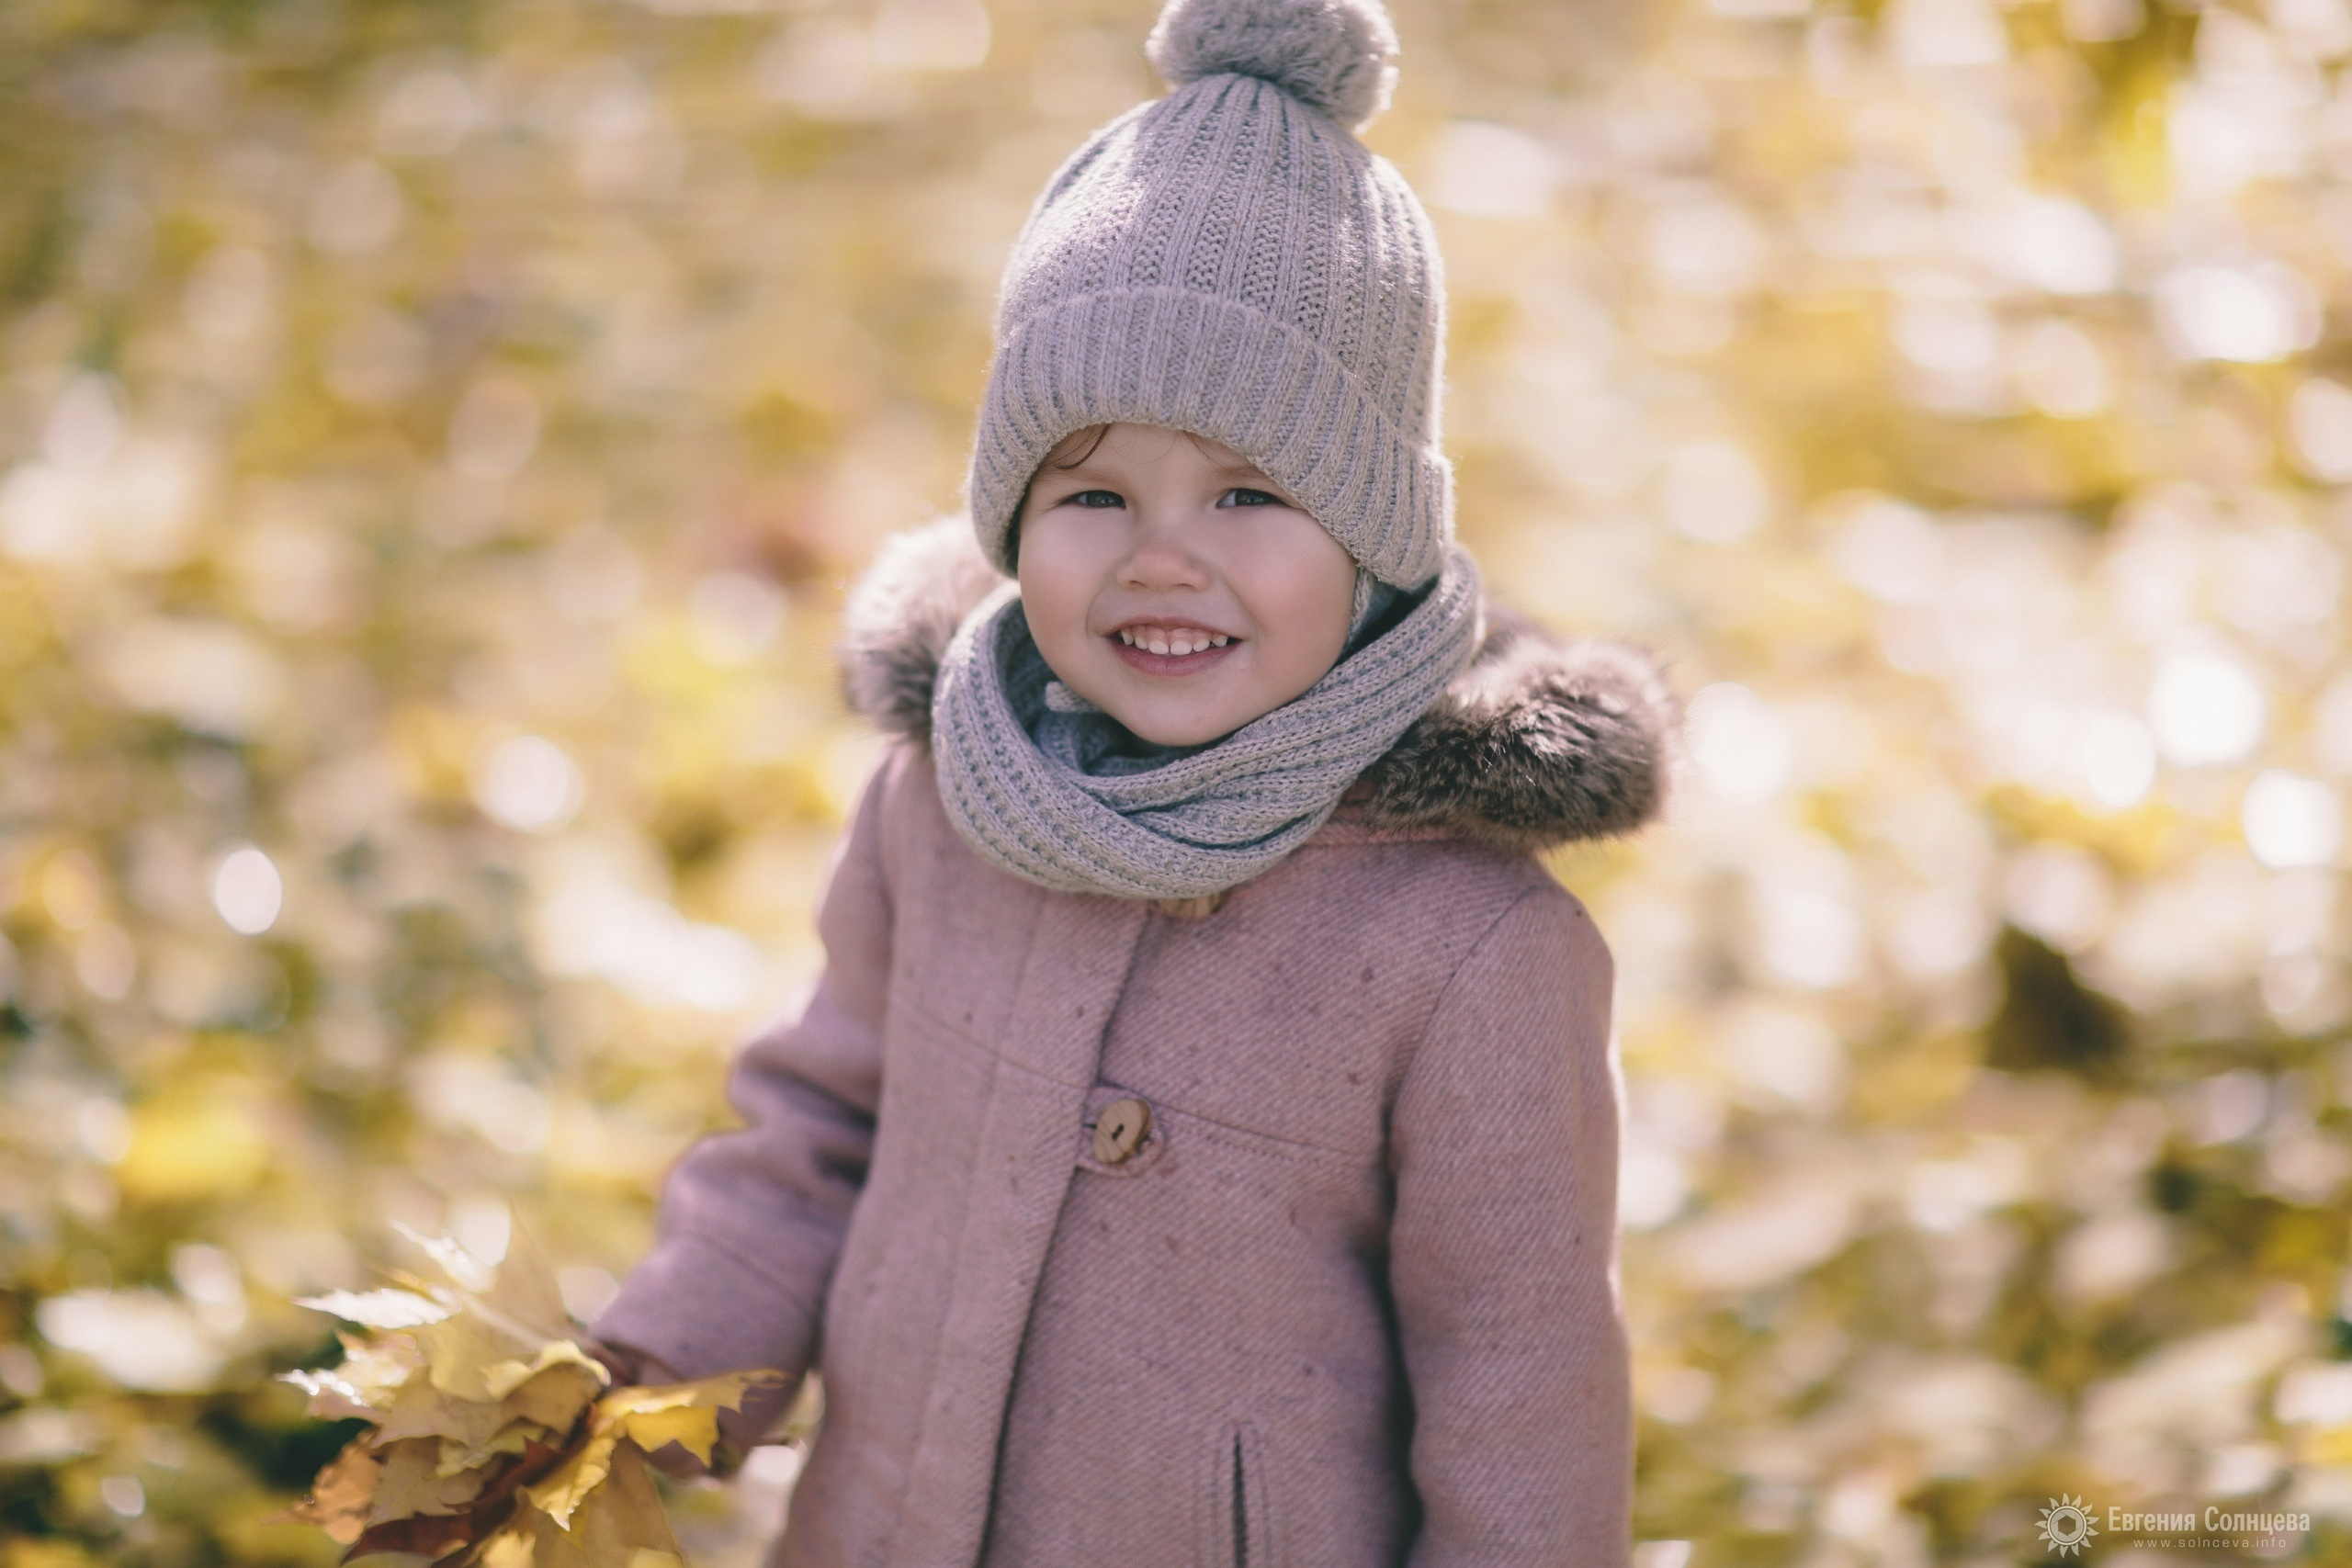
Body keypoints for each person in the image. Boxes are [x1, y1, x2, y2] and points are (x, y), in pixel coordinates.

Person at [589, 0, 1675, 1561]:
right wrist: (651, 1378)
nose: (1165, 555)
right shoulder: (947, 803)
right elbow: (819, 1130)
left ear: (1376, 539)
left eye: (1250, 491)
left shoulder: (1470, 951)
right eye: (1091, 490)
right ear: (1009, 524)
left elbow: (1521, 1379)